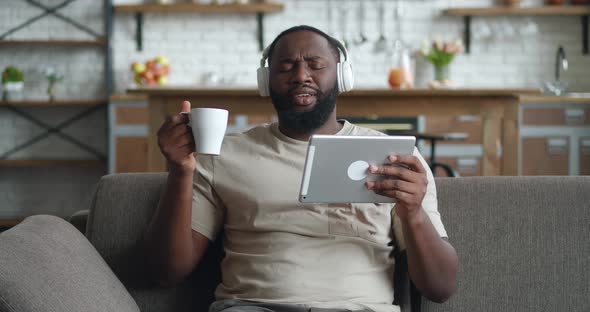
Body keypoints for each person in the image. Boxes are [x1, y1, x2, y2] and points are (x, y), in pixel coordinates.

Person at [145, 25, 458, 312]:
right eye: (286, 66)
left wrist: (413, 213)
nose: (300, 75)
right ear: (265, 81)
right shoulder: (223, 156)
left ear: (342, 75)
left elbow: (440, 288)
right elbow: (166, 272)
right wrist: (180, 171)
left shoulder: (396, 158)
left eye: (315, 64)